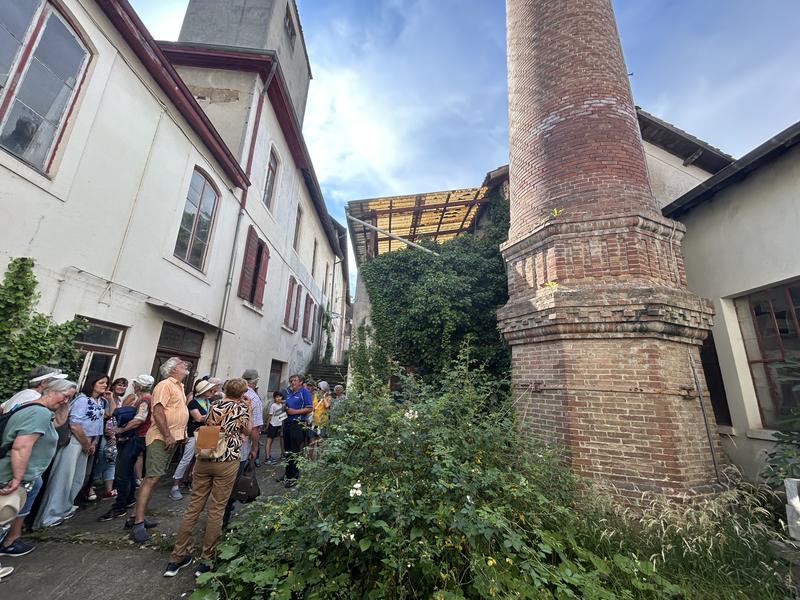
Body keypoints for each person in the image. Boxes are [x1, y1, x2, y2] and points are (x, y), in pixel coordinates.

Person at [163, 378, 250, 577]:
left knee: (194, 507)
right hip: (227, 459)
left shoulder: (214, 404)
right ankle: (206, 560)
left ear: (225, 390)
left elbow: (209, 423)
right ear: (242, 393)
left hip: (206, 454)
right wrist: (246, 408)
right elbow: (246, 430)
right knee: (217, 509)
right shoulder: (241, 408)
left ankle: (176, 558)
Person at [0, 379, 76, 558]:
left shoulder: (38, 409)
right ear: (50, 391)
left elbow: (57, 424)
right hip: (12, 474)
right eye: (65, 396)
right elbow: (21, 447)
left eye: (70, 399)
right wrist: (18, 478)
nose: (65, 401)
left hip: (26, 474)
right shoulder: (39, 413)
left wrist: (64, 404)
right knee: (2, 516)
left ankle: (11, 540)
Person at [34, 373, 109, 528]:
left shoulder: (101, 401)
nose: (105, 385)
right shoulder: (82, 400)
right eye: (101, 382)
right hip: (76, 441)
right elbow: (75, 424)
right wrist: (85, 443)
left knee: (77, 478)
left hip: (89, 442)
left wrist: (93, 442)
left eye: (106, 383)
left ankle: (65, 508)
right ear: (92, 383)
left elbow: (101, 420)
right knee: (63, 477)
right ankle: (50, 515)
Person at [129, 358, 189, 543]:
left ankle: (134, 516)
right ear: (172, 370)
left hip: (173, 436)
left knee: (155, 478)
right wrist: (168, 435)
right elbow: (158, 411)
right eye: (181, 364)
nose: (185, 365)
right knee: (152, 478)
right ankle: (137, 523)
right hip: (161, 437)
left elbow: (177, 411)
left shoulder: (179, 386)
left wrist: (182, 432)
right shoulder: (165, 385)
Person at [98, 375, 153, 525]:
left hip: (134, 439)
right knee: (127, 471)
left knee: (122, 472)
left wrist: (120, 430)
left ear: (138, 386)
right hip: (136, 438)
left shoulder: (144, 400)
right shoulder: (141, 398)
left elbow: (138, 420)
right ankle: (128, 499)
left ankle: (119, 506)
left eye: (134, 384)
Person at [222, 369, 262, 526]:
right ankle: (224, 518)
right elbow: (255, 429)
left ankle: (220, 513)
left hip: (218, 450)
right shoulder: (253, 400)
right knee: (233, 484)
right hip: (239, 450)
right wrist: (255, 448)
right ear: (255, 381)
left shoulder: (222, 399)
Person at [169, 379, 217, 501]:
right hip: (193, 434)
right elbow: (199, 418)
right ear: (203, 391)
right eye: (209, 389)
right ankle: (175, 486)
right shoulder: (193, 403)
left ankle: (192, 481)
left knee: (199, 459)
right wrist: (212, 414)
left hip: (205, 433)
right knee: (186, 459)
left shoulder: (208, 401)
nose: (212, 391)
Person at [282, 374, 312, 488]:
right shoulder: (290, 393)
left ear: (300, 382)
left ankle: (294, 477)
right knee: (287, 450)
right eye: (291, 380)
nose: (292, 382)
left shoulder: (304, 393)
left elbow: (310, 408)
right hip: (287, 424)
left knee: (294, 451)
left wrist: (294, 412)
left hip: (297, 425)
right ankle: (287, 474)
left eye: (295, 380)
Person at [0, 366, 68, 414]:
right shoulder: (36, 398)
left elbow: (1, 408)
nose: (59, 386)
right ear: (44, 383)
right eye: (56, 382)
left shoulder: (24, 393)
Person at [307, 381, 331, 460]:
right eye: (317, 388)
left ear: (324, 389)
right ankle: (309, 459)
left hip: (322, 422)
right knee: (311, 441)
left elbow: (327, 406)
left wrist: (323, 397)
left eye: (320, 388)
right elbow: (312, 407)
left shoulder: (328, 397)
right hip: (314, 421)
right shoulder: (315, 396)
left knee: (320, 442)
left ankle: (319, 460)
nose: (318, 389)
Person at [264, 391, 286, 464]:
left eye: (280, 396)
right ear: (274, 398)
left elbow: (282, 416)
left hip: (278, 425)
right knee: (269, 441)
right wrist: (267, 426)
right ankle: (267, 458)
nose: (279, 398)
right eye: (277, 397)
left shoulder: (282, 405)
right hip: (272, 425)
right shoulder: (273, 405)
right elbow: (270, 416)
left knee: (272, 441)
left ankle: (269, 456)